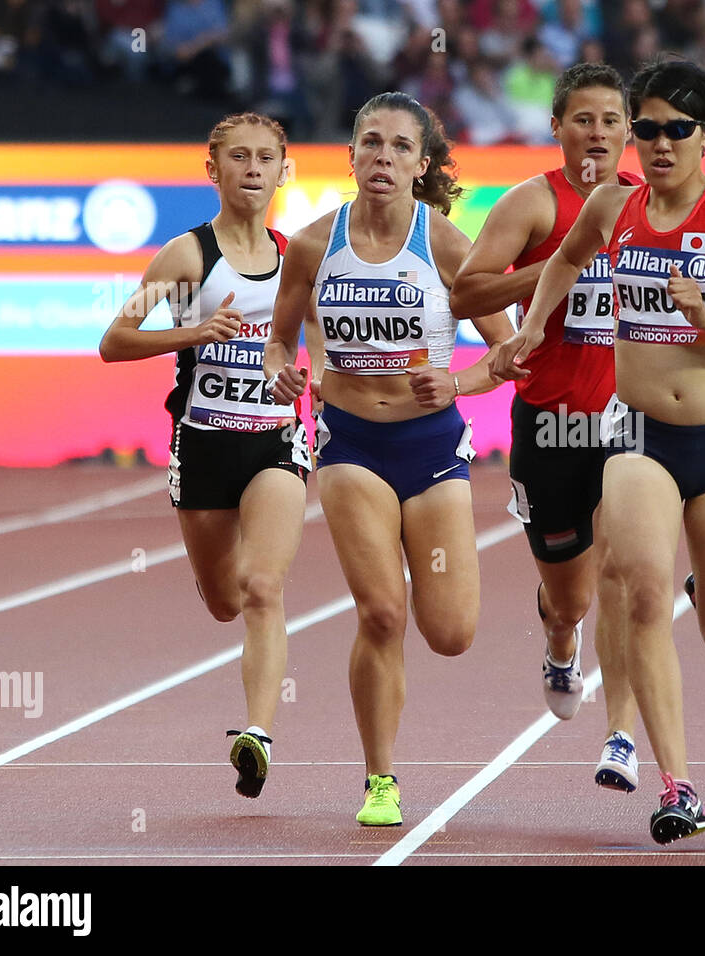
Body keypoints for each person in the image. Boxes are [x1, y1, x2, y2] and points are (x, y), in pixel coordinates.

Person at [491, 58, 705, 844]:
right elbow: (563, 257)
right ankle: (678, 785)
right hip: (640, 436)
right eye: (647, 128)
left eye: (676, 131)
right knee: (641, 591)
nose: (659, 145)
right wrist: (531, 325)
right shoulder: (613, 205)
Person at [263, 92, 512, 827]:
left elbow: (510, 351)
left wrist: (459, 380)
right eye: (370, 143)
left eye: (400, 147)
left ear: (420, 165)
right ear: (350, 156)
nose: (382, 157)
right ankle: (380, 779)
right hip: (349, 445)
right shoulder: (311, 244)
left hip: (431, 445)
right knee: (380, 612)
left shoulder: (446, 245)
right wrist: (281, 366)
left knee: (452, 632)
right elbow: (280, 337)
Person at [99, 112, 311, 800]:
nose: (253, 168)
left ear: (286, 171)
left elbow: (325, 350)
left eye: (265, 158)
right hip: (203, 442)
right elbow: (114, 339)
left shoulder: (300, 258)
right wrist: (191, 333)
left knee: (263, 586)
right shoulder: (187, 257)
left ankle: (258, 734)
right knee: (224, 600)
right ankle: (215, 581)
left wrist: (310, 380)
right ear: (212, 170)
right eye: (238, 157)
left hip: (277, 438)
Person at [449, 63, 643, 791]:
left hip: (633, 425)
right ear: (556, 127)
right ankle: (561, 641)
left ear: (630, 130)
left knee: (626, 575)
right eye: (582, 120)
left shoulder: (650, 205)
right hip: (552, 424)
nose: (596, 134)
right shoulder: (531, 203)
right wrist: (552, 273)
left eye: (610, 121)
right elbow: (466, 286)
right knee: (574, 597)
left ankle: (621, 734)